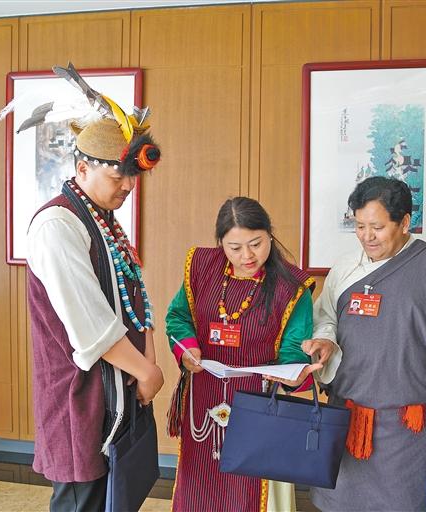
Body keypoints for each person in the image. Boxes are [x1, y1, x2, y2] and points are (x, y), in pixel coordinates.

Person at [25, 97, 165, 510]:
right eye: (118, 176)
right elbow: (90, 324)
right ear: (82, 168)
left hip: (119, 386)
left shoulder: (104, 219)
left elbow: (135, 296)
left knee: (114, 499)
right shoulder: (57, 224)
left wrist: (148, 360)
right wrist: (146, 371)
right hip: (79, 393)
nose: (128, 186)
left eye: (133, 177)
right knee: (82, 501)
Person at [303, 176, 426, 511]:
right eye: (359, 226)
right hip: (348, 418)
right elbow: (325, 318)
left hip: (412, 426)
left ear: (404, 222)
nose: (367, 236)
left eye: (377, 227)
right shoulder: (346, 268)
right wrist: (325, 341)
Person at [165, 196, 321, 512]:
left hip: (259, 403)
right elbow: (178, 317)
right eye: (234, 248)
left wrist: (292, 375)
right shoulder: (202, 267)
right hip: (204, 395)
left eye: (256, 244)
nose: (247, 256)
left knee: (249, 491)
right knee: (199, 486)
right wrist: (187, 349)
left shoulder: (291, 287)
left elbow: (293, 351)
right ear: (220, 242)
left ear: (270, 235)